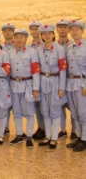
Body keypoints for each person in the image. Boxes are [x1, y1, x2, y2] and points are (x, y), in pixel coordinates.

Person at [9, 29, 40, 149]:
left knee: (30, 113)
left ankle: (29, 137)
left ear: (26, 39)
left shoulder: (32, 52)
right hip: (14, 85)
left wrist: (35, 88)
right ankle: (18, 135)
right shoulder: (10, 53)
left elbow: (36, 71)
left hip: (27, 85)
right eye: (16, 37)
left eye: (21, 37)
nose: (19, 40)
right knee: (16, 112)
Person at [37, 24, 67, 149]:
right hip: (43, 82)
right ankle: (48, 136)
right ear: (42, 36)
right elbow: (36, 69)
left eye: (49, 33)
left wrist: (62, 88)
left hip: (55, 82)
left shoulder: (59, 49)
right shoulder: (38, 50)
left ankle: (54, 137)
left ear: (53, 35)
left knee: (55, 111)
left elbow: (63, 70)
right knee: (45, 111)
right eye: (44, 34)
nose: (47, 36)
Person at [65, 20, 86, 152]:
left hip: (81, 83)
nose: (74, 32)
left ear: (82, 31)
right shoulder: (70, 47)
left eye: (77, 29)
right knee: (75, 113)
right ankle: (79, 137)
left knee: (83, 113)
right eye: (72, 30)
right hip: (71, 84)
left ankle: (84, 139)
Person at [56, 19, 77, 140]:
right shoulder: (54, 45)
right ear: (57, 30)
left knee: (73, 107)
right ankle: (62, 129)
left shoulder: (73, 45)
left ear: (68, 30)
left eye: (65, 27)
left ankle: (74, 130)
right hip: (57, 80)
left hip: (71, 80)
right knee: (60, 107)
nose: (63, 29)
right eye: (60, 27)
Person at [28, 21, 45, 140]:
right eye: (32, 29)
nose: (34, 31)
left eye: (36, 29)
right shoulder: (28, 47)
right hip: (33, 79)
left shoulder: (45, 45)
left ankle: (46, 129)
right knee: (36, 106)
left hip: (44, 79)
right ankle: (40, 127)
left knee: (44, 106)